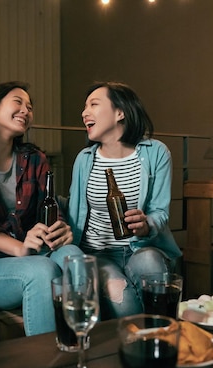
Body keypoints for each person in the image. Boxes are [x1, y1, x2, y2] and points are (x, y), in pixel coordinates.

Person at [0, 81, 83, 336]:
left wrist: (59, 229)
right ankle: (46, 366)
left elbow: (49, 206)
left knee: (76, 259)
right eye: (18, 102)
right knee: (41, 271)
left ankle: (78, 350)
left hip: (36, 252)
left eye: (30, 106)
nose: (26, 110)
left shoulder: (35, 158)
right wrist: (21, 248)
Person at [66, 81, 182, 320]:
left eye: (94, 104)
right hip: (98, 253)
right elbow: (74, 208)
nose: (84, 112)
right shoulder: (84, 159)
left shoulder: (156, 152)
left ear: (120, 112)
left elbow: (160, 211)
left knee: (154, 273)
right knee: (124, 302)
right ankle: (139, 346)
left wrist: (147, 224)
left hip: (140, 248)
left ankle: (162, 340)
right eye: (84, 107)